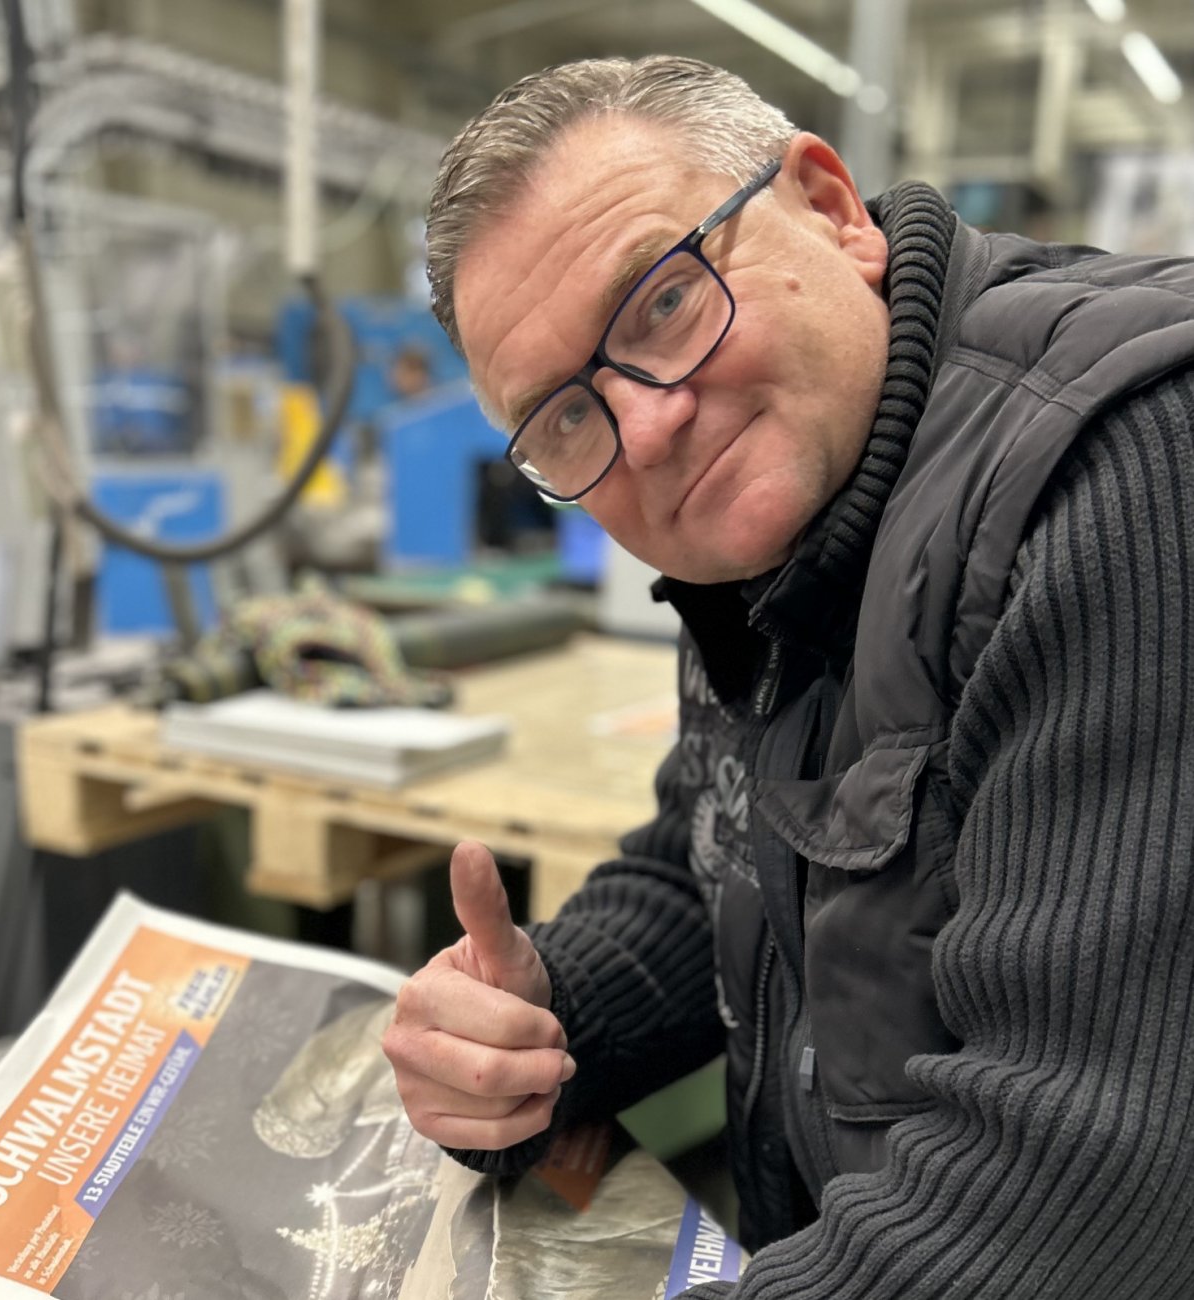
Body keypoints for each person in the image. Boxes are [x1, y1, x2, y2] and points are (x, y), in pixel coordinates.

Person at [381, 54, 1194, 1300]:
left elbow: (1085, 1193)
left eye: (662, 301)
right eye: (565, 416)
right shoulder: (774, 522)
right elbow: (720, 858)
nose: (645, 426)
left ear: (829, 207)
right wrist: (538, 1022)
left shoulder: (1126, 467)